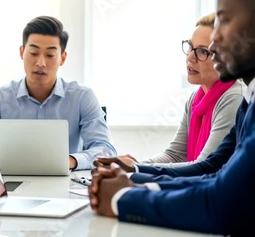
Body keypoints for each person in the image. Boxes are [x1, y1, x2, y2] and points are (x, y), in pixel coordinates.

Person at [89, 0, 255, 235]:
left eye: (224, 20)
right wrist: (133, 179)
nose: (214, 43)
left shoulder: (237, 96)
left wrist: (124, 197)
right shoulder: (249, 100)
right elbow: (215, 170)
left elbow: (221, 203)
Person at [99, 13, 244, 169]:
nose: (190, 57)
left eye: (203, 51)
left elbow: (204, 166)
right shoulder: (196, 99)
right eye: (190, 47)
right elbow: (175, 155)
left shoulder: (233, 98)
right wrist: (130, 166)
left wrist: (136, 168)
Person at [0, 16, 116, 170]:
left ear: (62, 58)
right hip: (11, 182)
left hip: (66, 182)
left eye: (50, 55)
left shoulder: (82, 97)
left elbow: (105, 150)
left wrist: (70, 161)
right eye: (33, 53)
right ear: (22, 52)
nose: (40, 63)